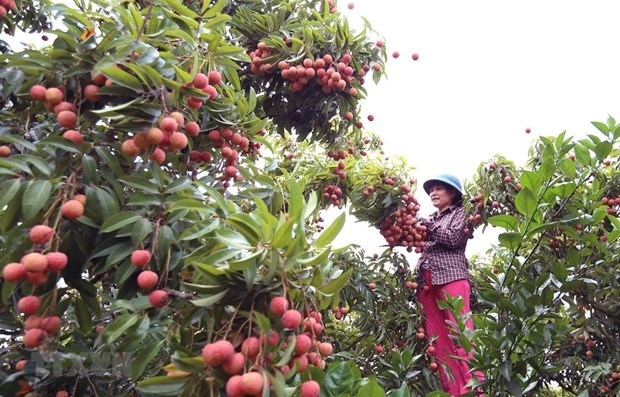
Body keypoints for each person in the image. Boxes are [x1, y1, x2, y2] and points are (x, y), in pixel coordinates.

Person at [415, 173, 484, 396]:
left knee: (461, 332)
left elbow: (454, 239)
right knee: (438, 340)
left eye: (438, 189)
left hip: (452, 276)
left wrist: (426, 225)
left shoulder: (461, 214)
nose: (433, 193)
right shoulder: (428, 219)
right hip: (427, 282)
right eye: (430, 190)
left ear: (452, 192)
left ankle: (477, 388)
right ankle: (454, 391)